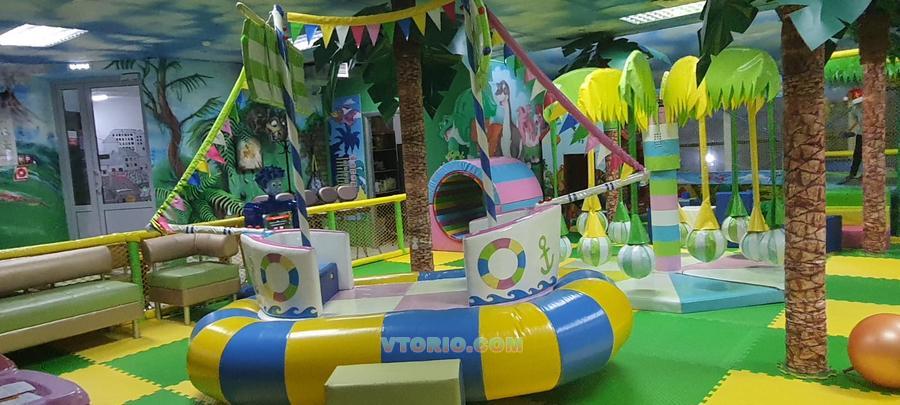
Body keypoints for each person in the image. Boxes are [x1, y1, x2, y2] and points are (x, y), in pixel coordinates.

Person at [840, 88, 864, 184]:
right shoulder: (855, 108)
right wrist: (850, 131)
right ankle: (852, 174)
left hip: (871, 134)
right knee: (857, 154)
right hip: (861, 134)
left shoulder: (869, 106)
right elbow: (858, 121)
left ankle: (867, 174)